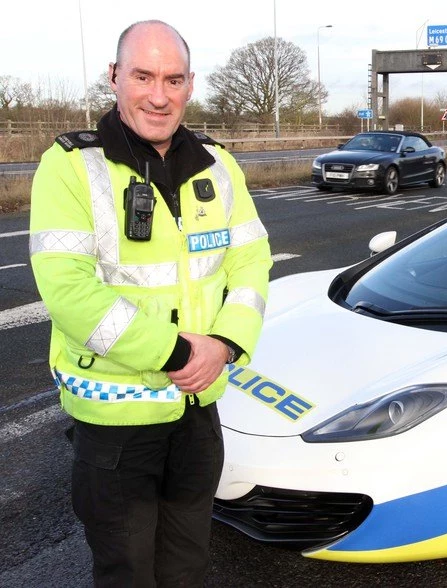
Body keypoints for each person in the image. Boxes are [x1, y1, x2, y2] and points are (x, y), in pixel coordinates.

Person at [29, 20, 272, 587]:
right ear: (114, 78)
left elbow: (251, 265)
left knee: (189, 565)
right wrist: (178, 353)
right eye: (142, 76)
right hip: (116, 427)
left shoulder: (219, 165)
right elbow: (68, 291)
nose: (158, 95)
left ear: (190, 84)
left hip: (196, 415)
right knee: (127, 572)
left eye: (173, 79)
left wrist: (228, 344)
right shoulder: (68, 167)